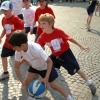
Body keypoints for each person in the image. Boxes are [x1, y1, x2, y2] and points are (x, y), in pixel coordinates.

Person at [36, 13, 96, 95]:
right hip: (55, 56)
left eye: (44, 23)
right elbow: (36, 46)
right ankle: (39, 87)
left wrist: (80, 45)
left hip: (66, 54)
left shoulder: (58, 32)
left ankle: (89, 82)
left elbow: (70, 38)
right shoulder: (42, 36)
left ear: (51, 24)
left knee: (77, 70)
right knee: (45, 66)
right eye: (40, 23)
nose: (41, 25)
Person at [8, 30, 76, 100]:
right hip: (34, 66)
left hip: (46, 67)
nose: (13, 49)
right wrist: (22, 81)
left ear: (22, 45)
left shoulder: (36, 49)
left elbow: (49, 62)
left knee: (54, 86)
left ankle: (70, 98)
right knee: (26, 82)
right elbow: (16, 67)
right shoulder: (18, 51)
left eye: (14, 47)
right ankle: (31, 96)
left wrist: (46, 78)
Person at [0, 1, 24, 80]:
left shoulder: (15, 18)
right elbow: (4, 29)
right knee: (3, 56)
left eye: (6, 10)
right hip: (7, 43)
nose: (4, 12)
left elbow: (23, 29)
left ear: (11, 9)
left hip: (16, 43)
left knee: (25, 58)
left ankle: (33, 70)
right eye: (3, 10)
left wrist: (20, 40)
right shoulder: (3, 19)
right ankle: (6, 72)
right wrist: (0, 37)